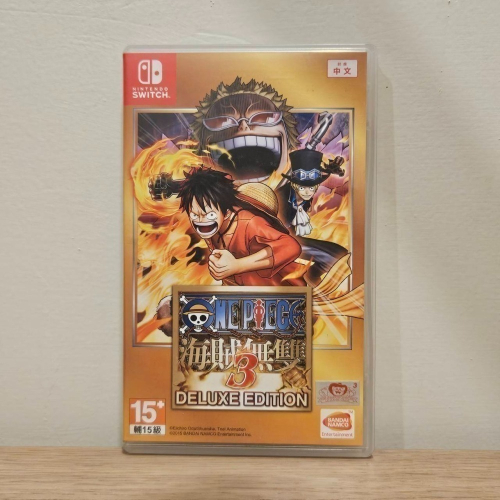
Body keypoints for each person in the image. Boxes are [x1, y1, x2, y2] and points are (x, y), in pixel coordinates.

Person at [177, 167, 307, 286]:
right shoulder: (212, 231)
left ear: (227, 213)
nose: (201, 221)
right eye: (194, 215)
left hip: (282, 293)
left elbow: (291, 246)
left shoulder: (250, 223)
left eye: (210, 215)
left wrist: (238, 265)